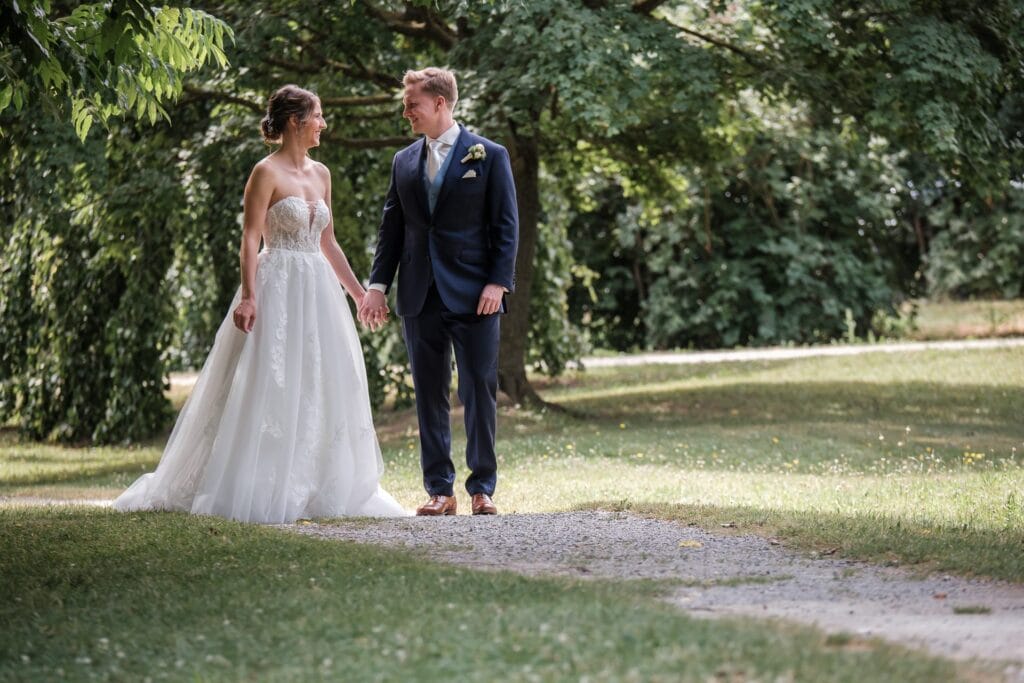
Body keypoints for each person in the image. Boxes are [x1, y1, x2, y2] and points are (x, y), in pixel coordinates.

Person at [114, 85, 407, 523]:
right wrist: (249, 295)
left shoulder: (322, 174)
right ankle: (261, 479)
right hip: (277, 285)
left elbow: (328, 242)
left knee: (321, 379)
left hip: (318, 288)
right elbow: (251, 238)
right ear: (296, 122)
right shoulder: (264, 173)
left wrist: (360, 292)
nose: (324, 124)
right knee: (273, 377)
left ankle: (316, 483)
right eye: (318, 116)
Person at [359, 67, 519, 516]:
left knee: (477, 389)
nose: (406, 111)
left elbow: (506, 226)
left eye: (412, 103)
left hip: (475, 294)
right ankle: (440, 491)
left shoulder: (489, 155)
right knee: (428, 392)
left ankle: (482, 488)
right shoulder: (403, 161)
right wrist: (376, 287)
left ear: (440, 104)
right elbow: (392, 229)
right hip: (419, 293)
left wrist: (497, 282)